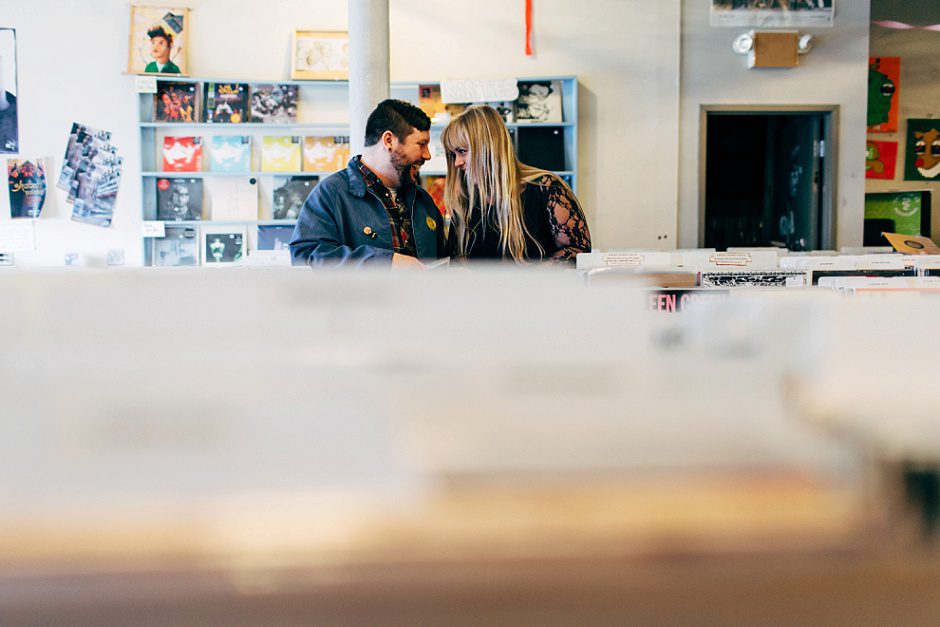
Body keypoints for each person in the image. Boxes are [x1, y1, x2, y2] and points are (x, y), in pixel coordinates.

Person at [290, 99, 445, 268]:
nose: (428, 155)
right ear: (388, 141)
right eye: (421, 144)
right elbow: (304, 257)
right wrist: (384, 263)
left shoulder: (423, 200)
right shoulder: (330, 194)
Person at [441, 104, 591, 263]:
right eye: (453, 154)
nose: (457, 163)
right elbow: (456, 262)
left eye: (462, 151)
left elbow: (579, 250)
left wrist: (530, 278)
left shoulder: (546, 188)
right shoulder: (465, 202)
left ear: (488, 148)